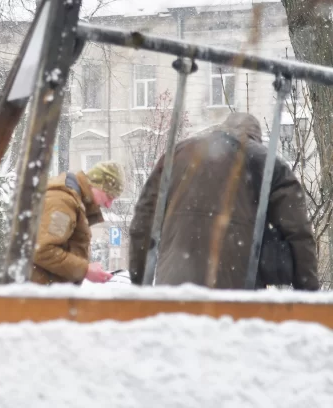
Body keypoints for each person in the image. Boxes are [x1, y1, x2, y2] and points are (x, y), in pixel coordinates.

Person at [129, 112, 319, 290]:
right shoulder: (268, 164)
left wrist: (140, 284)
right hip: (234, 295)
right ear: (256, 139)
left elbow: (143, 222)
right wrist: (309, 296)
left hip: (175, 290)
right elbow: (299, 234)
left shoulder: (179, 154)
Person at [30, 161, 125, 285]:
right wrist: (85, 270)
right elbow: (42, 250)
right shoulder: (63, 202)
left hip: (45, 292)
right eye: (109, 196)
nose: (108, 205)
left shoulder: (72, 201)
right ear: (98, 185)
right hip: (41, 296)